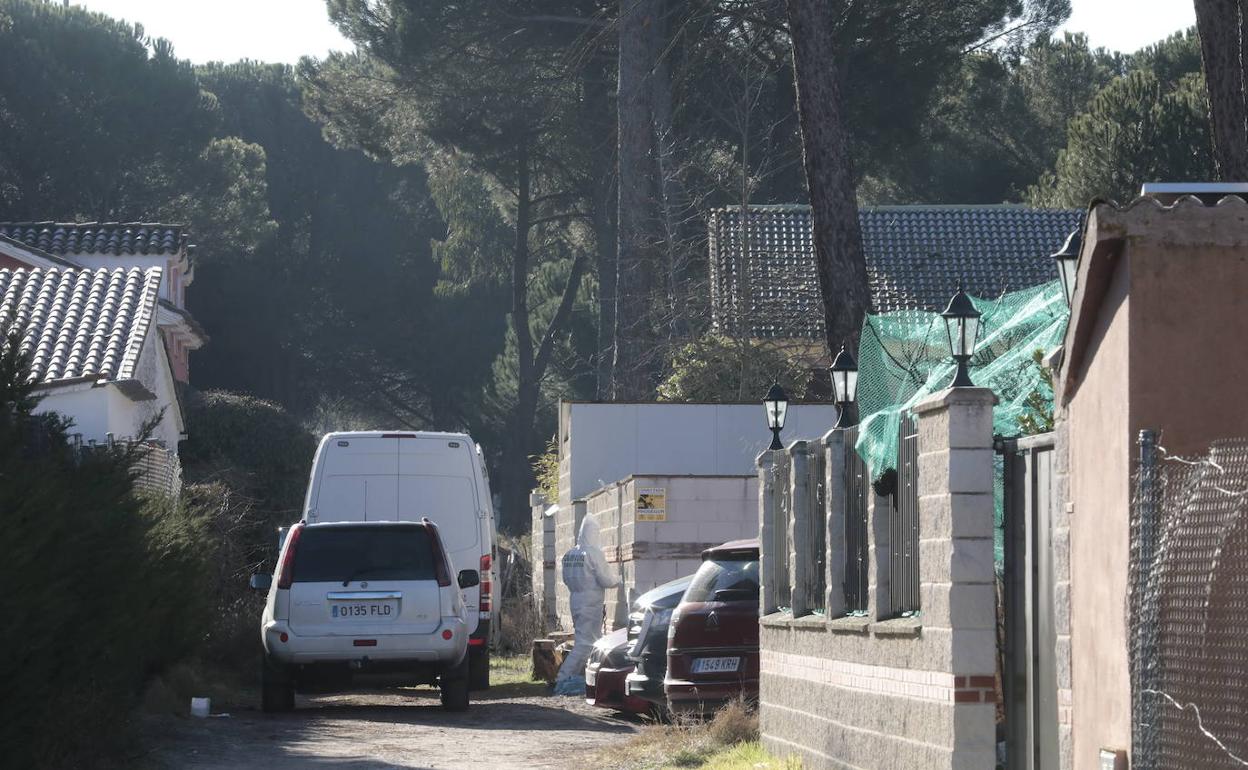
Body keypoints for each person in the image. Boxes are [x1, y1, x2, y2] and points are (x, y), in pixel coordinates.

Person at [554, 517, 619, 694]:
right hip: (590, 603)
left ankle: (587, 677)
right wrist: (619, 580)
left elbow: (566, 580)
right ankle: (562, 678)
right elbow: (606, 579)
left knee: (590, 641)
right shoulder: (593, 553)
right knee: (584, 643)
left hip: (575, 600)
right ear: (593, 533)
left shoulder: (569, 554)